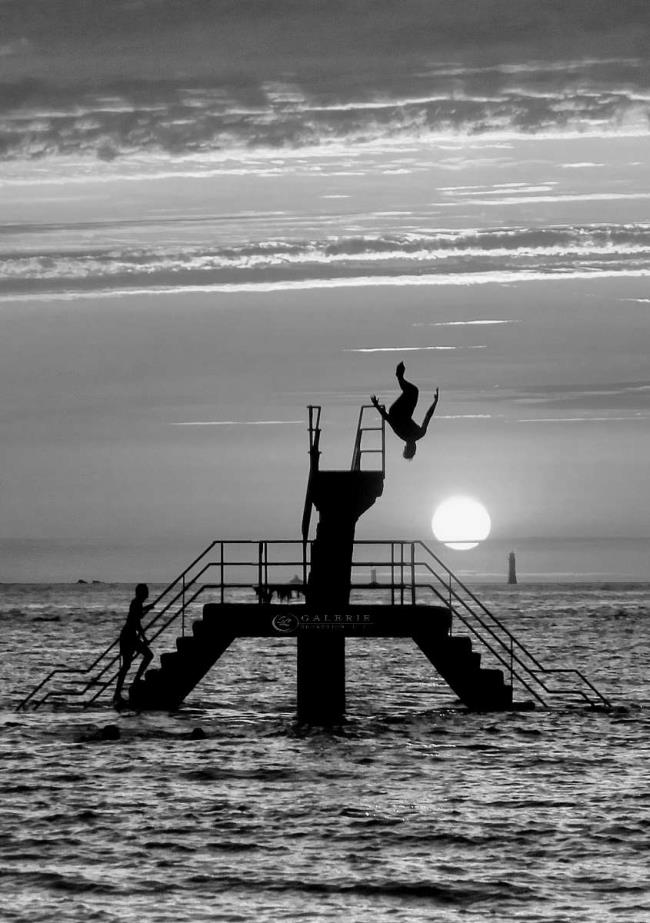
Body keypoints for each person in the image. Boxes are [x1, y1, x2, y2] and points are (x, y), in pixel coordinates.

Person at [371, 361, 439, 459]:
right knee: (412, 392)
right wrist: (376, 406)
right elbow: (388, 419)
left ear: (414, 447)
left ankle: (400, 377)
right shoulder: (404, 435)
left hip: (398, 412)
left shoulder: (419, 434)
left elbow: (428, 416)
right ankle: (400, 377)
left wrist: (435, 401)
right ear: (407, 446)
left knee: (413, 391)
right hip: (398, 412)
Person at [113, 583, 154, 707]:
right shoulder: (136, 603)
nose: (147, 594)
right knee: (146, 656)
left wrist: (147, 608)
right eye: (146, 591)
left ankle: (117, 693)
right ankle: (133, 682)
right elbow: (136, 622)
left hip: (129, 636)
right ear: (142, 593)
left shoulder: (136, 603)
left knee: (127, 665)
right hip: (129, 637)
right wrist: (144, 638)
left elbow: (138, 615)